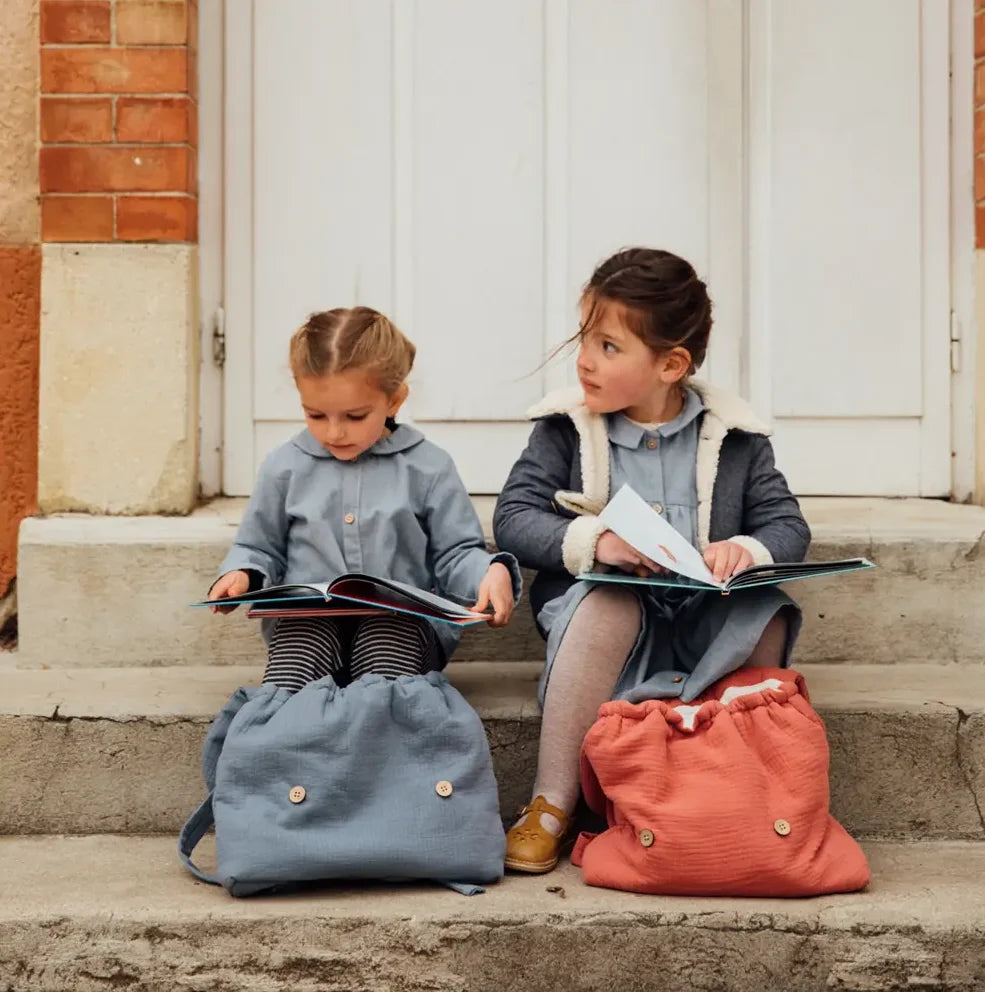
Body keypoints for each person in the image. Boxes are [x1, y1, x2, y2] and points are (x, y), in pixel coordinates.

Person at [493, 248, 810, 873]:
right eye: (584, 338)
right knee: (609, 600)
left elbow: (787, 524)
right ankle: (552, 799)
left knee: (767, 610)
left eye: (609, 347)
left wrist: (744, 550)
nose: (585, 359)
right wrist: (597, 543)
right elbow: (514, 515)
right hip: (610, 622)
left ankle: (728, 779)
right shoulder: (565, 429)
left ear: (671, 364)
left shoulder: (736, 438)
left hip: (700, 618)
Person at [209, 306, 520, 692]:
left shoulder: (428, 467)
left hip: (400, 623)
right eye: (316, 415)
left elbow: (456, 552)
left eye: (355, 416)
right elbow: (259, 546)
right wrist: (241, 574)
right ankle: (288, 746)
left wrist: (490, 572)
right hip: (307, 623)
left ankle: (384, 741)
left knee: (386, 679)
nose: (335, 432)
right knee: (291, 683)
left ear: (395, 401)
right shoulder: (284, 466)